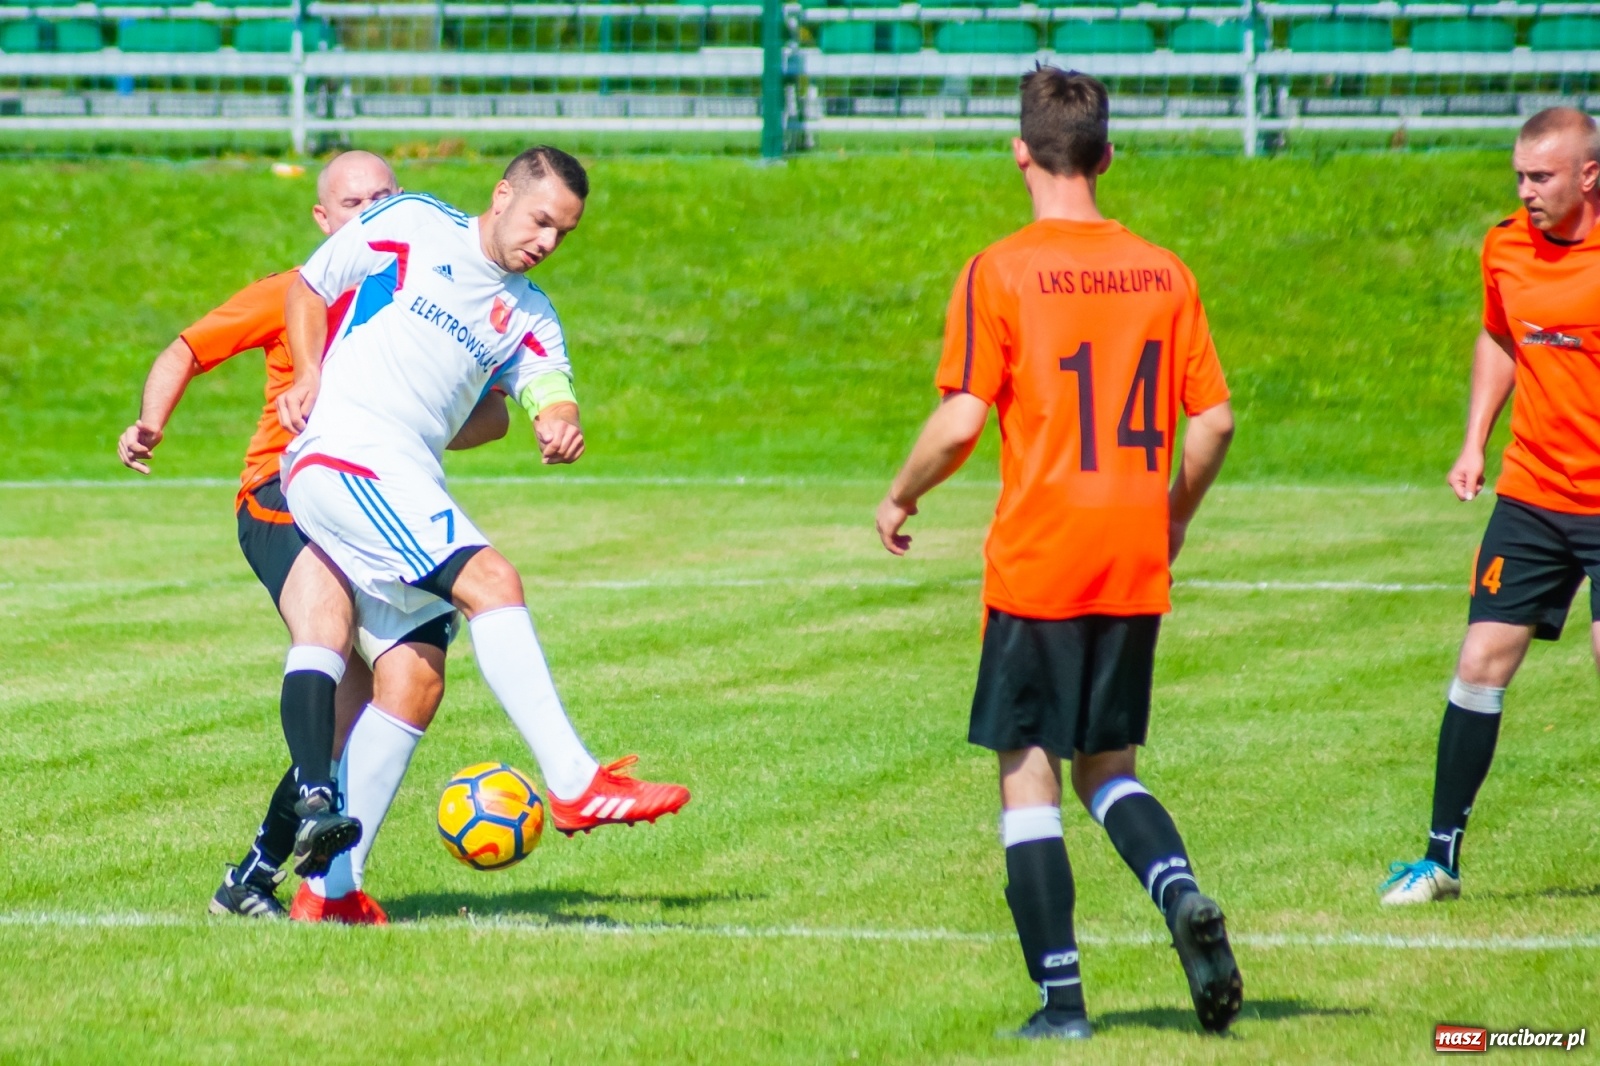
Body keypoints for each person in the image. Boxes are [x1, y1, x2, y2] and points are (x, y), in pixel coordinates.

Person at [874, 68, 1240, 1039]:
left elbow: (960, 420)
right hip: (1130, 549)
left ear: (1020, 153)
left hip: (1040, 554)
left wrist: (901, 492)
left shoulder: (1000, 269)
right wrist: (1172, 517)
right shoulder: (1164, 271)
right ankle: (1177, 894)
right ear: (1107, 157)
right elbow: (1213, 420)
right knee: (1107, 765)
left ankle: (1062, 1001)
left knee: (1028, 767)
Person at [116, 151, 509, 920]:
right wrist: (150, 422)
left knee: (361, 700)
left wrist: (415, 418)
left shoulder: (431, 295)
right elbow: (186, 349)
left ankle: (253, 878)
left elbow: (490, 414)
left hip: (373, 499)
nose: (370, 211)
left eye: (384, 196)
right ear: (324, 220)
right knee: (324, 627)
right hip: (282, 493)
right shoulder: (294, 291)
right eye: (352, 201)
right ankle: (323, 801)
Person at [276, 146, 690, 875]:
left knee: (414, 680)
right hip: (345, 454)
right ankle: (573, 782)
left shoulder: (530, 315)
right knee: (492, 581)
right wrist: (309, 371)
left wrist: (559, 420)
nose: (548, 244)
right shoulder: (412, 221)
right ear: (502, 195)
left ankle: (329, 892)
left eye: (565, 233)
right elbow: (310, 286)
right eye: (540, 222)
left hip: (406, 476)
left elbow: (547, 386)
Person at [1382, 108, 1600, 905]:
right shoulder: (1506, 243)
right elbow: (1499, 337)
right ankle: (1439, 861)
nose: (1524, 191)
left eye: (1541, 177)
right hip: (1536, 493)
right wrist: (1475, 440)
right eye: (1518, 175)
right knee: (1478, 665)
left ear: (1588, 175)